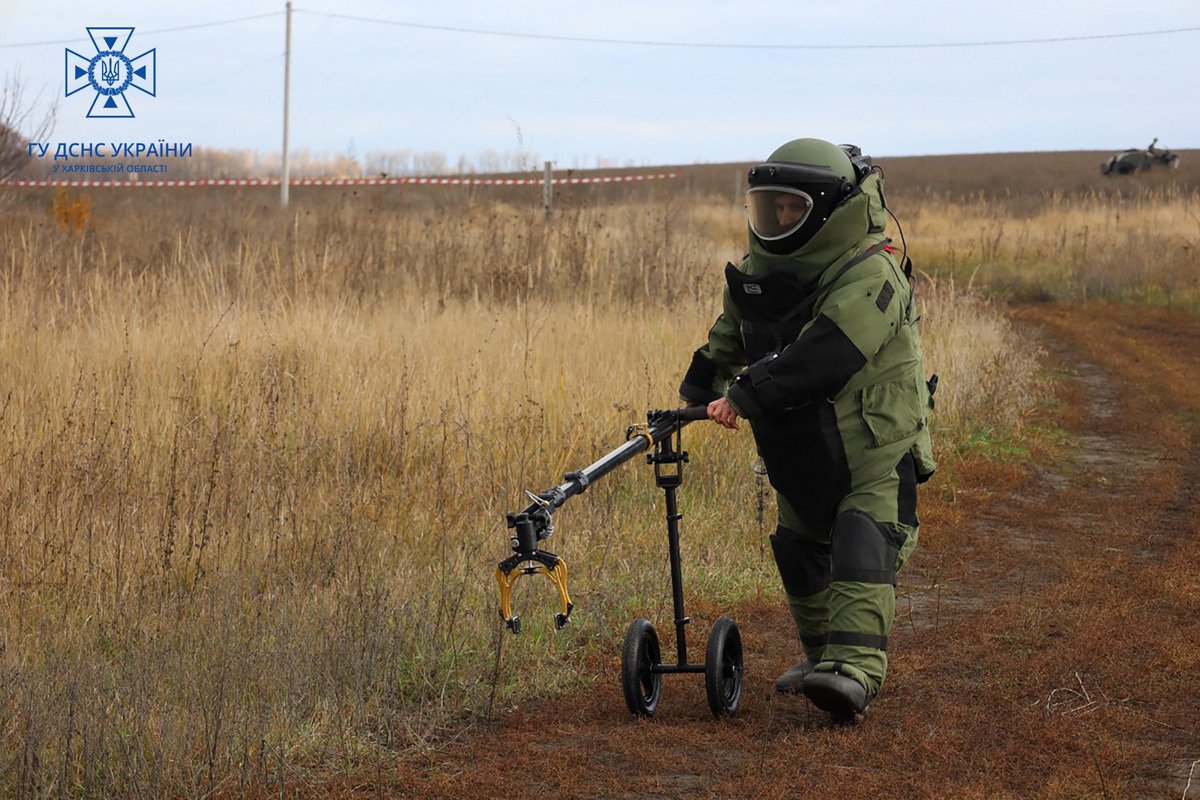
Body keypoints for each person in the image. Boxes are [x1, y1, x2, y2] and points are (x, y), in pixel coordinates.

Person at [679, 138, 936, 720]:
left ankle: (853, 671)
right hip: (801, 446)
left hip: (875, 445)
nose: (780, 217)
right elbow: (732, 331)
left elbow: (829, 352)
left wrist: (744, 395)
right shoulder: (760, 271)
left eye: (793, 206)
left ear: (828, 208)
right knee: (799, 550)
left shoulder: (873, 271)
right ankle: (821, 657)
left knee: (861, 541)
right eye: (771, 206)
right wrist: (698, 387)